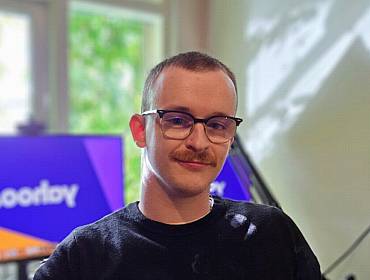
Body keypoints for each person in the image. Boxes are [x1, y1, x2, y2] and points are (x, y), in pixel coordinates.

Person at [34, 51, 321, 280]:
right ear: (139, 130)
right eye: (177, 120)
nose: (199, 142)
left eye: (217, 124)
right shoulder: (83, 258)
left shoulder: (272, 234)